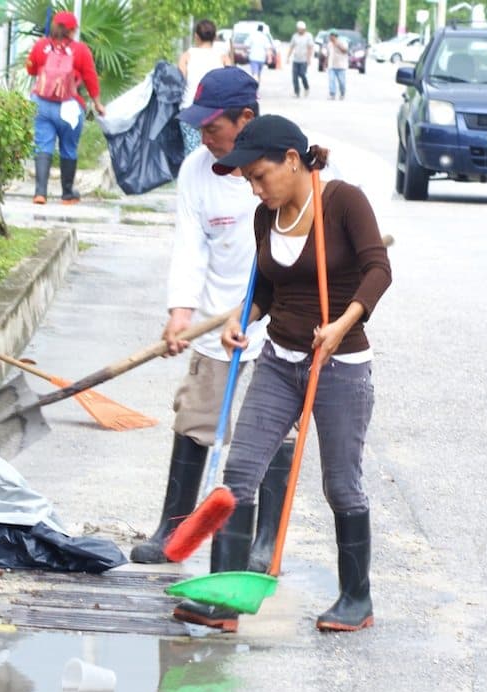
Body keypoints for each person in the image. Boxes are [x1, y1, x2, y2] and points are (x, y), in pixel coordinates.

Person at [173, 115, 392, 634]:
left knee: (341, 485)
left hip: (339, 363)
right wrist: (239, 318)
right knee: (241, 472)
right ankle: (223, 599)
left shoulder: (342, 202)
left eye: (259, 175)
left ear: (291, 161)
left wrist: (342, 323)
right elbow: (266, 294)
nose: (254, 187)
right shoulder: (263, 216)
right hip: (279, 361)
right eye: (247, 179)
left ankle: (355, 599)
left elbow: (379, 269)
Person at [129, 68, 295, 578]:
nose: (204, 136)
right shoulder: (196, 171)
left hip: (281, 320)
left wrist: (274, 306)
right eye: (199, 127)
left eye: (213, 126)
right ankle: (173, 529)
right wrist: (181, 313)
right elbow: (190, 247)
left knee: (272, 431)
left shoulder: (282, 165)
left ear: (246, 118)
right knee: (195, 418)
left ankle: (265, 542)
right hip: (217, 318)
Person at [25, 11, 105, 205]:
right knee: (68, 148)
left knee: (43, 146)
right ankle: (67, 194)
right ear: (72, 30)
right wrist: (97, 103)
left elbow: (31, 68)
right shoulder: (81, 50)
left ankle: (40, 193)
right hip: (69, 107)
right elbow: (90, 78)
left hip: (42, 104)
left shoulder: (41, 46)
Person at [178, 19, 231, 156]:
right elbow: (232, 82)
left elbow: (179, 81)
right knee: (215, 154)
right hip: (216, 112)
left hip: (189, 109)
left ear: (196, 36)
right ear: (214, 37)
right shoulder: (223, 58)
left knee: (192, 154)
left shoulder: (186, 56)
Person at [286, 20, 315, 98]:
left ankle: (306, 87)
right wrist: (288, 57)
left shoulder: (308, 36)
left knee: (302, 74)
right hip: (296, 59)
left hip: (304, 59)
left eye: (301, 29)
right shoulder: (295, 36)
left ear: (304, 29)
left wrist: (309, 58)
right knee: (294, 76)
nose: (299, 30)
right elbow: (292, 46)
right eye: (298, 29)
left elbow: (310, 47)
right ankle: (296, 92)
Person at [325, 31, 349, 99]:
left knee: (342, 82)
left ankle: (342, 93)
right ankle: (332, 94)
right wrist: (325, 63)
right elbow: (328, 54)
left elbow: (345, 51)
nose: (330, 38)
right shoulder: (329, 44)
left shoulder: (342, 42)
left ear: (335, 36)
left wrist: (338, 45)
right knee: (331, 80)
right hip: (331, 66)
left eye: (331, 36)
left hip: (341, 66)